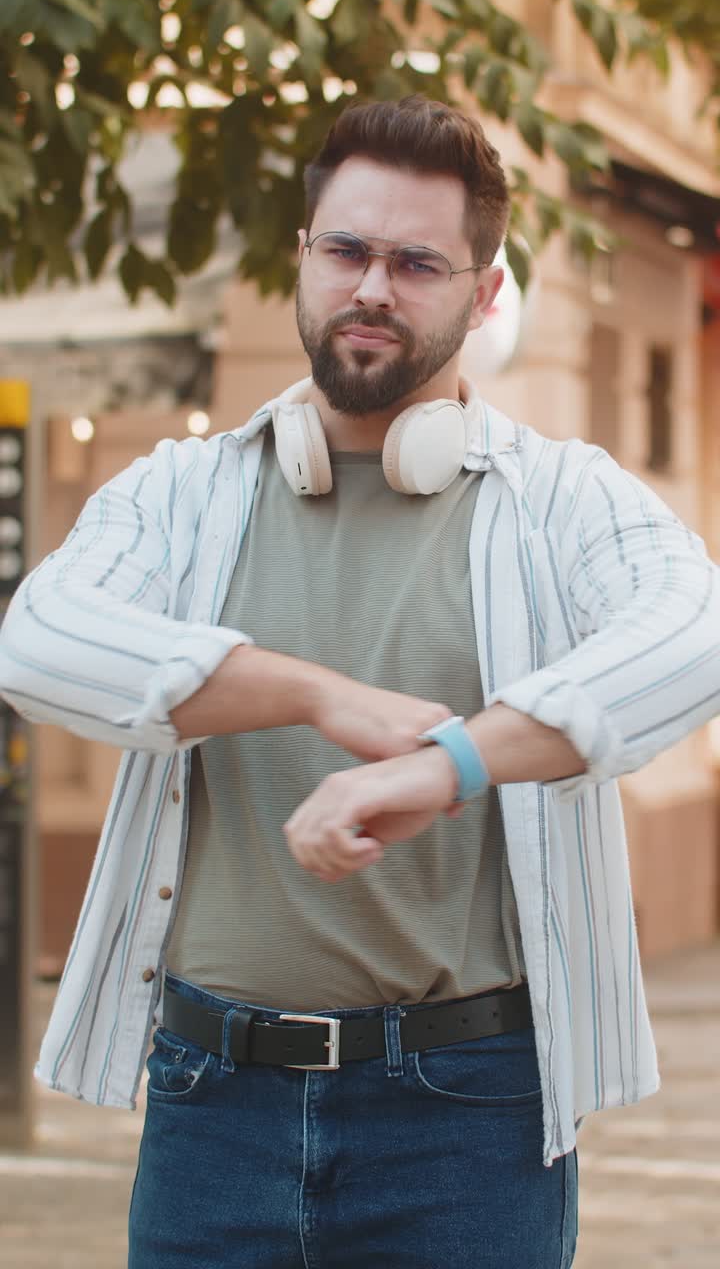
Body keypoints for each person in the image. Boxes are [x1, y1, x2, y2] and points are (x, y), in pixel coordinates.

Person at [0, 95, 718, 1269]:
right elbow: (36, 644)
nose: (373, 286)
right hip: (208, 1105)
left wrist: (455, 761)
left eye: (417, 262)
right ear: (304, 258)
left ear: (485, 296)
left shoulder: (560, 498)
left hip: (468, 1115)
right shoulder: (179, 492)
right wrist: (311, 692)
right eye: (347, 250)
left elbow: (695, 632)